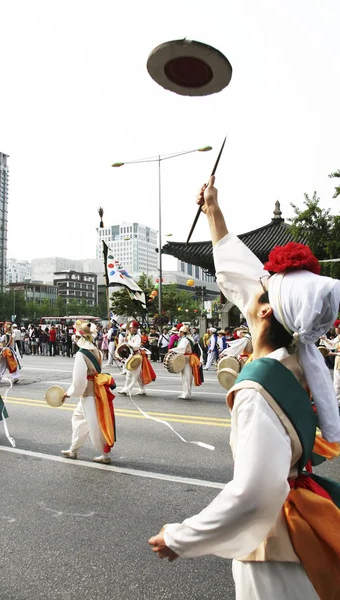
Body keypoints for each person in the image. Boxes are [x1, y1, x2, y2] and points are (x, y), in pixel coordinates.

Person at [149, 176, 340, 600]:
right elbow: (241, 275)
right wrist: (214, 211)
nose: (257, 282)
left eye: (266, 283)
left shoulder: (258, 387)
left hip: (275, 546)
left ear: (267, 307)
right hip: (301, 526)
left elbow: (255, 493)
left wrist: (182, 537)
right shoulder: (296, 364)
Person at [60, 320, 116, 464]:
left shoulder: (81, 354)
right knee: (79, 418)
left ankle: (105, 454)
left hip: (88, 392)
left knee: (94, 423)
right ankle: (73, 449)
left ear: (79, 338)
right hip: (96, 390)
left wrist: (69, 392)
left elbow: (79, 380)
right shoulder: (95, 349)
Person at [118, 321, 156, 396]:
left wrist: (128, 342)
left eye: (135, 328)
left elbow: (136, 347)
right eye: (133, 328)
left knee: (132, 375)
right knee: (136, 375)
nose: (134, 329)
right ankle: (142, 389)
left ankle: (126, 389)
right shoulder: (129, 336)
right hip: (131, 356)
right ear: (130, 328)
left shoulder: (137, 336)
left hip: (137, 357)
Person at [172, 325, 203, 399]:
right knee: (185, 377)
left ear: (182, 332)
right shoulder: (185, 338)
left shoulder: (185, 339)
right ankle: (185, 392)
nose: (178, 333)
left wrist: (173, 350)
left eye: (179, 332)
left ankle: (187, 393)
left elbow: (182, 349)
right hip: (185, 359)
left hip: (187, 359)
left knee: (187, 376)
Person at [320, 319, 340, 406]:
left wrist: (333, 353)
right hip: (338, 364)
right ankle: (336, 405)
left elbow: (333, 349)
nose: (335, 329)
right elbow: (332, 345)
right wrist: (324, 339)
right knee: (337, 385)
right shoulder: (339, 337)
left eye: (336, 327)